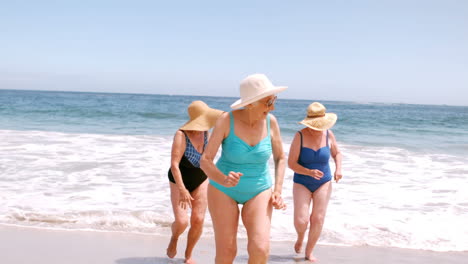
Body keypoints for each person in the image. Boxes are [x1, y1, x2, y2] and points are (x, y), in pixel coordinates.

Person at [200, 73, 287, 264]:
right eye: (268, 101)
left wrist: (278, 191)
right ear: (250, 103)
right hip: (223, 189)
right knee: (227, 251)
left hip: (259, 188)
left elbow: (280, 158)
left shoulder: (271, 122)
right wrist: (223, 179)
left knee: (260, 249)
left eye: (274, 100)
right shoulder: (226, 121)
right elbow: (205, 160)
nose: (272, 106)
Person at [166, 100, 223, 264]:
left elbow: (208, 160)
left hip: (200, 179)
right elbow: (174, 165)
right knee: (182, 222)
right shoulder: (181, 135)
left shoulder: (206, 133)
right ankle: (174, 237)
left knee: (198, 219)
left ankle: (188, 255)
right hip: (179, 180)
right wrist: (183, 190)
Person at [288, 102, 343, 262]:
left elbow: (337, 153)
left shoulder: (329, 134)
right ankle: (300, 237)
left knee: (317, 218)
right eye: (312, 125)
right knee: (301, 220)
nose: (315, 128)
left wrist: (338, 169)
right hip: (302, 181)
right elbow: (291, 163)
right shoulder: (300, 136)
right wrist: (308, 172)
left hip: (324, 181)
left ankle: (309, 251)